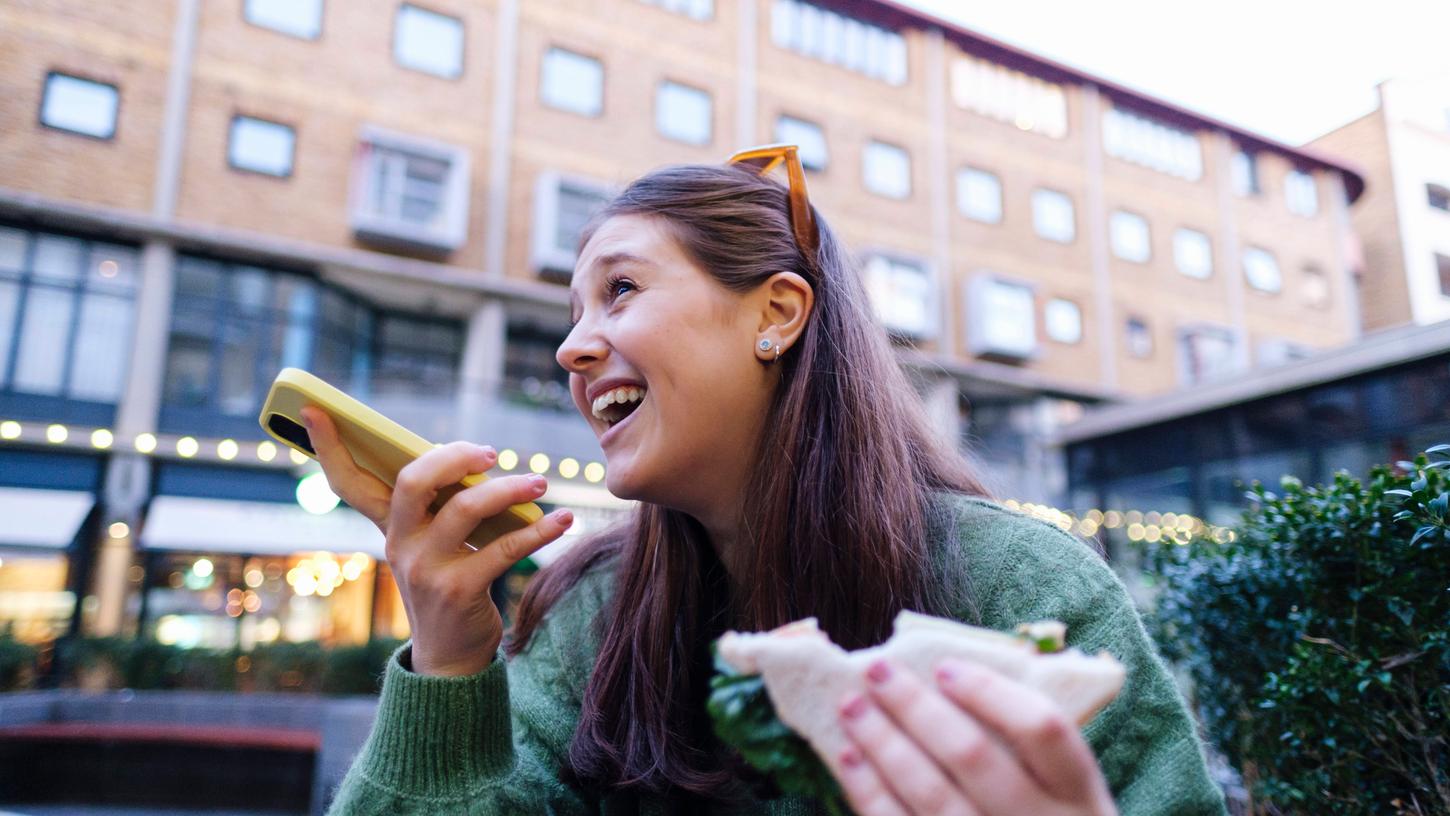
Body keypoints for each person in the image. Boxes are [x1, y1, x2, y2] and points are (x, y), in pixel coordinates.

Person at [310, 145, 1227, 816]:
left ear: (778, 314)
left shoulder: (1020, 587)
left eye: (621, 290)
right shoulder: (595, 608)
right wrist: (448, 661)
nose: (571, 347)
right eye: (573, 309)